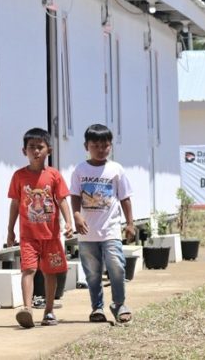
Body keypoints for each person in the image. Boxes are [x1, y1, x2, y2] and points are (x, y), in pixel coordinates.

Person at [7, 127, 73, 328]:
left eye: (40, 147)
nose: (36, 151)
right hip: (28, 236)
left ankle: (49, 311)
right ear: (24, 151)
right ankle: (27, 309)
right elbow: (15, 203)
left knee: (50, 272)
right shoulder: (19, 176)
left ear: (48, 151)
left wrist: (69, 222)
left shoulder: (54, 175)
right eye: (31, 147)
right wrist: (10, 230)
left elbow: (62, 199)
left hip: (51, 235)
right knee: (28, 269)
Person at [70, 123, 135, 324]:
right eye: (95, 146)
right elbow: (75, 195)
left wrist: (130, 223)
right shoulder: (80, 170)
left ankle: (119, 304)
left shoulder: (116, 169)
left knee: (117, 266)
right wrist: (77, 216)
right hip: (87, 233)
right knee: (92, 273)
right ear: (86, 146)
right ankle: (97, 307)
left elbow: (125, 197)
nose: (100, 149)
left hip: (111, 230)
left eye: (105, 145)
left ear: (111, 146)